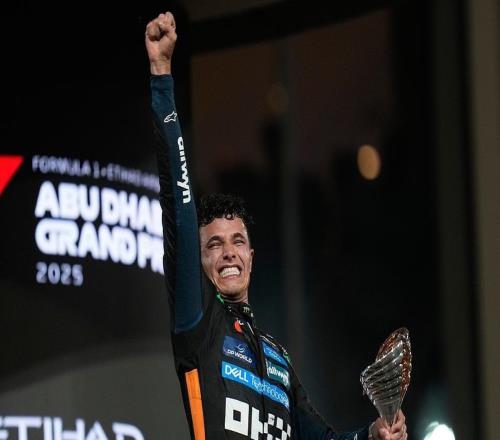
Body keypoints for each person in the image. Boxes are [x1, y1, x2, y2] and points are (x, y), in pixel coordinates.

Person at [145, 11, 408, 440]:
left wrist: (371, 435)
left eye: (237, 241)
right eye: (213, 244)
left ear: (251, 256)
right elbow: (179, 201)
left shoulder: (278, 360)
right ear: (199, 261)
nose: (228, 252)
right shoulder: (199, 323)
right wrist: (162, 77)